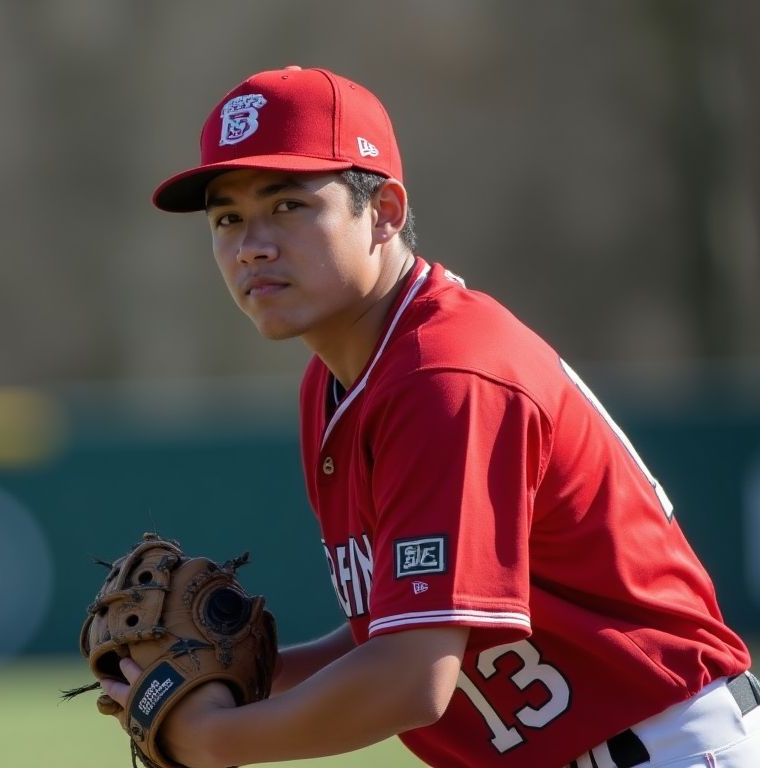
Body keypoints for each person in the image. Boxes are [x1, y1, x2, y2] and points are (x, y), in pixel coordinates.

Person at [100, 66, 759, 767]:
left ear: (383, 211)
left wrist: (212, 738)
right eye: (227, 218)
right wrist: (233, 677)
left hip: (665, 747)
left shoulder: (446, 376)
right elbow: (412, 626)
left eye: (288, 205)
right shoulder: (340, 374)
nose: (251, 244)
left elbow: (414, 679)